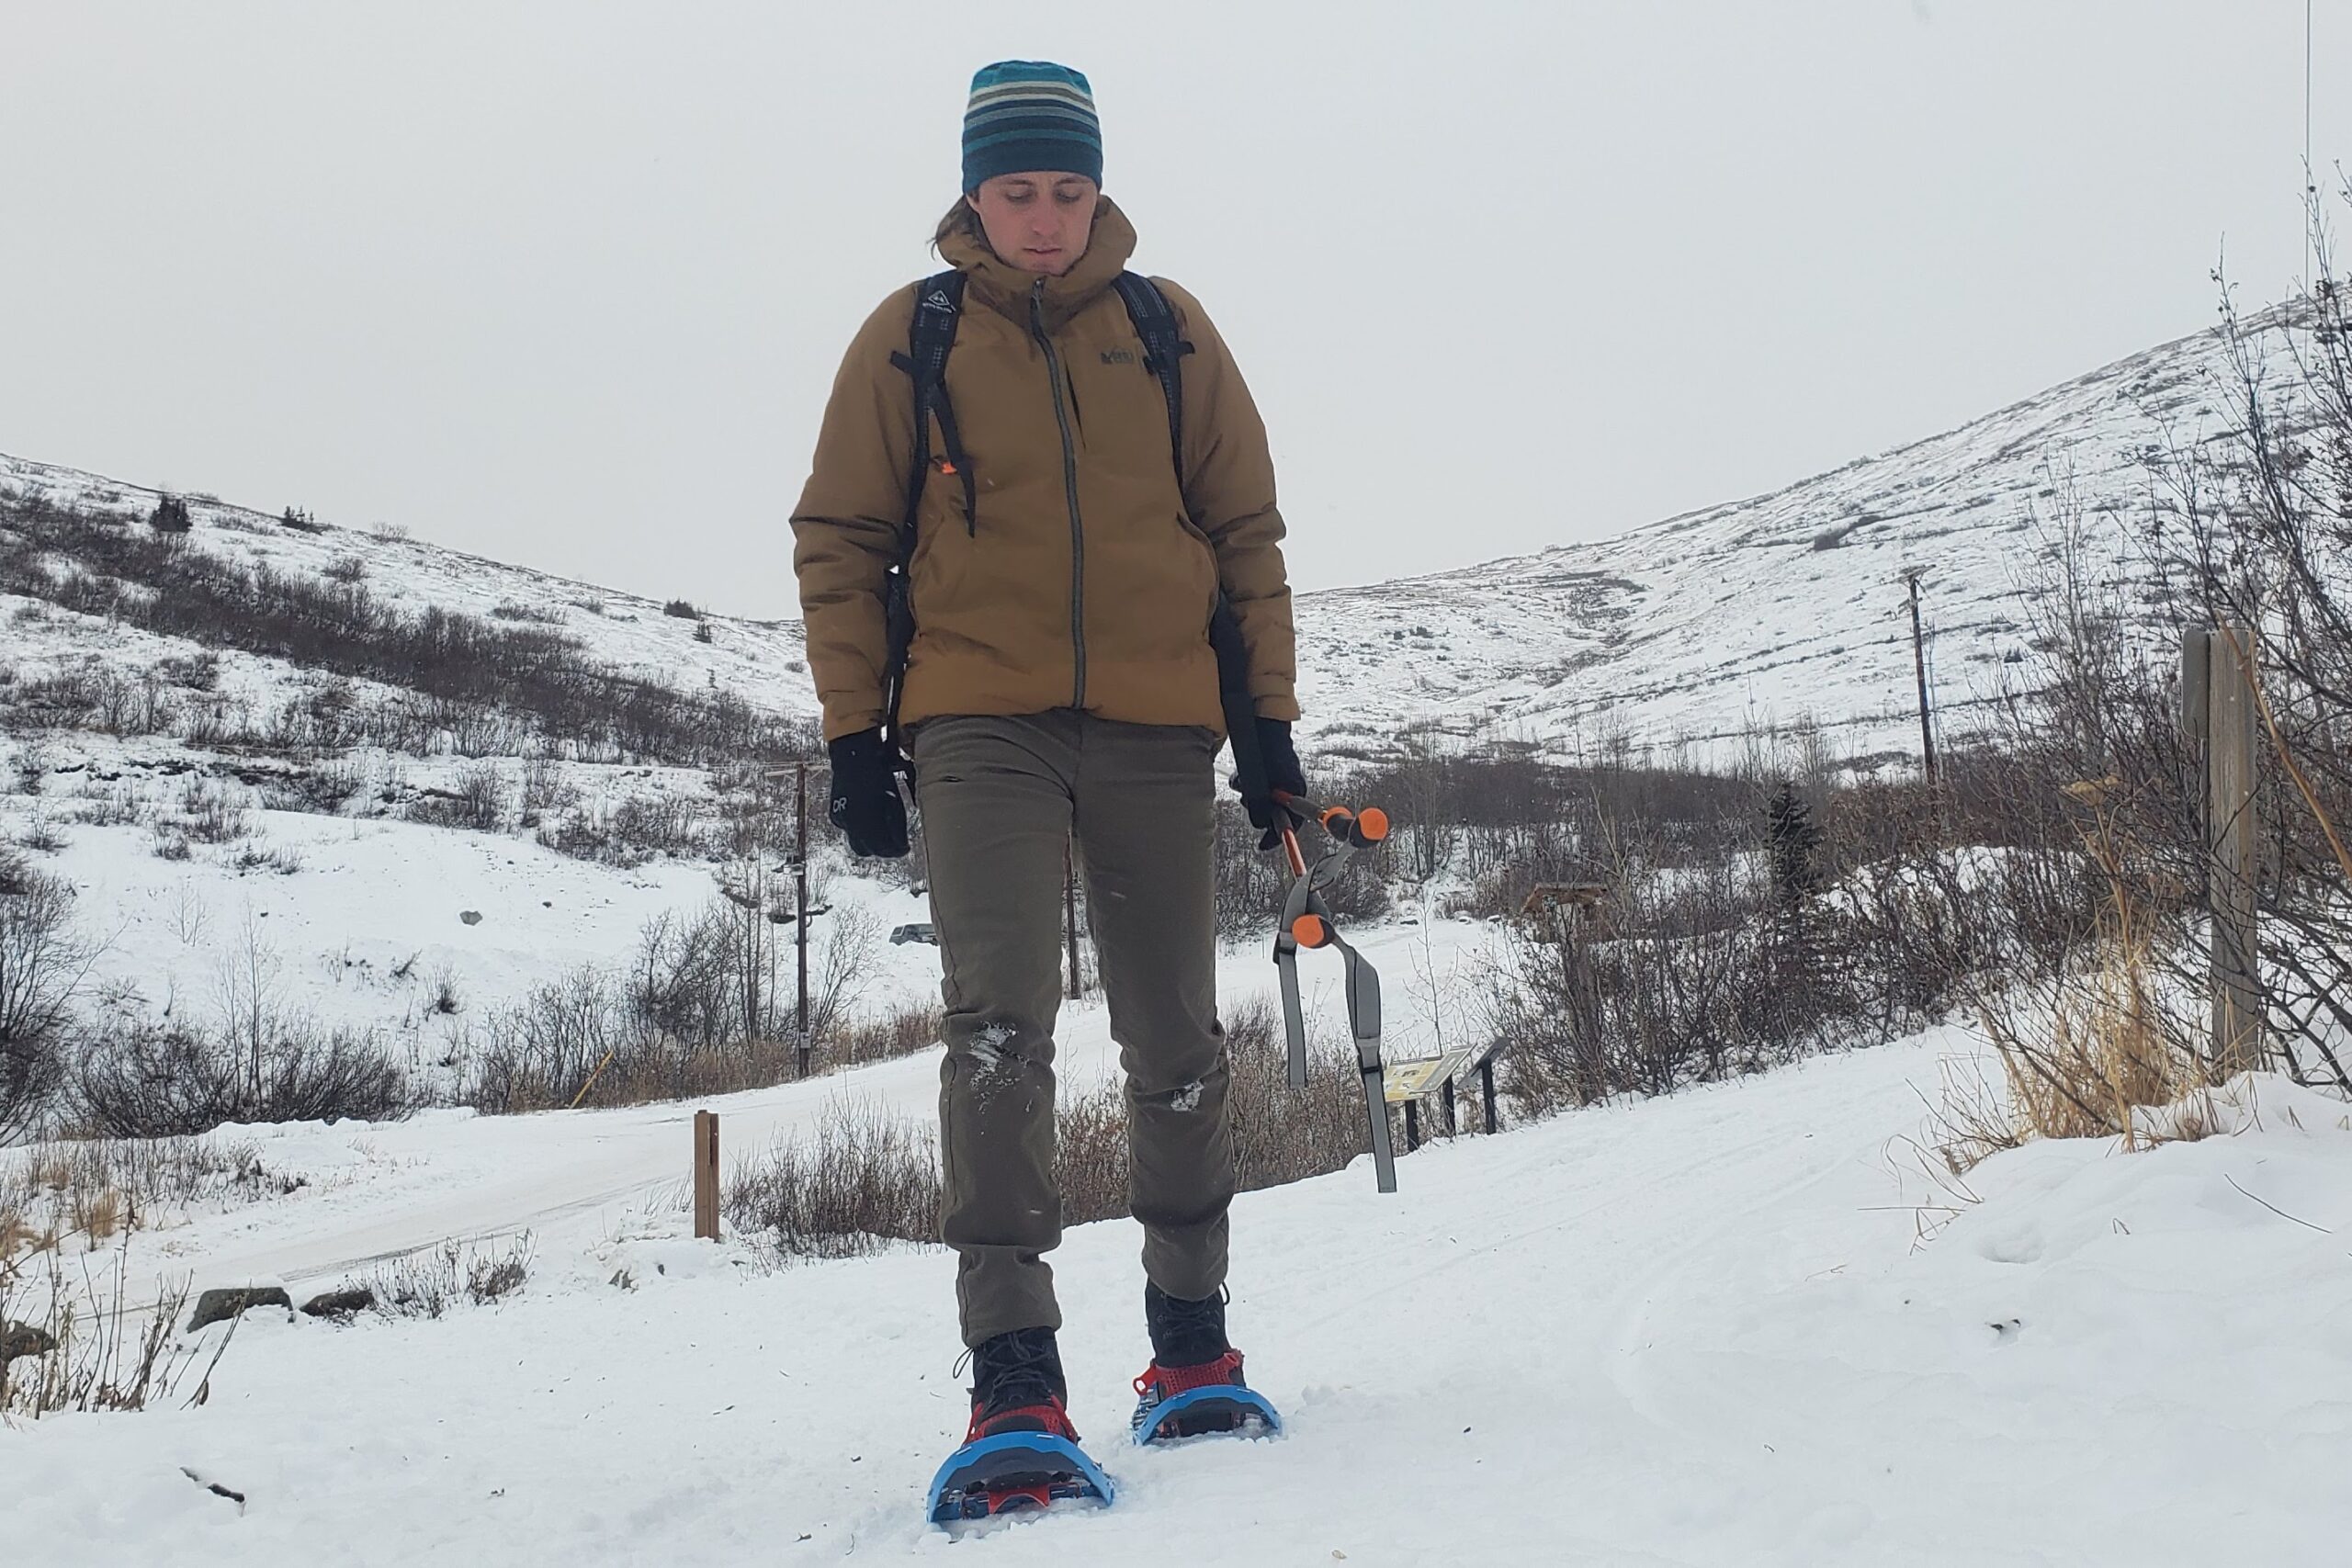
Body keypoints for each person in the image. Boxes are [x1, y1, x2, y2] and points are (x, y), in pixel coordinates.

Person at [790, 59, 1305, 1499]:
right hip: (978, 726)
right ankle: (1015, 1377)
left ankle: (1191, 1343)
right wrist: (854, 737)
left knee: (1178, 1042)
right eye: (1017, 191)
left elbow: (1245, 531)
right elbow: (840, 538)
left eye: (1068, 190)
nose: (1044, 219)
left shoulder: (1168, 330)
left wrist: (1265, 729)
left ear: (1098, 190)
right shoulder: (913, 336)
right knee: (998, 1036)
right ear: (973, 189)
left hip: (1155, 726)